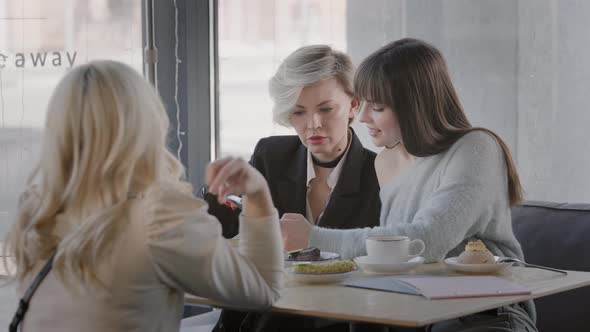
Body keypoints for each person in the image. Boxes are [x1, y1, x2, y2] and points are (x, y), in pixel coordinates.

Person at [3, 60, 283, 332]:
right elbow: (262, 290)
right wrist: (257, 192)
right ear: (147, 122)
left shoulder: (38, 208)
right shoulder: (158, 215)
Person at [280, 38, 537, 332]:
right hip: (415, 314)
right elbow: (393, 265)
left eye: (377, 107)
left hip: (483, 316)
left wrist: (313, 238)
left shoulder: (475, 147)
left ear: (415, 106)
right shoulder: (386, 162)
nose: (362, 117)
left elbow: (427, 240)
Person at [206, 45, 381, 331]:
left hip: (342, 319)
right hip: (264, 315)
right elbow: (235, 240)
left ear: (353, 105)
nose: (313, 124)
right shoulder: (270, 155)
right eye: (298, 112)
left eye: (326, 109)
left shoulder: (379, 174)